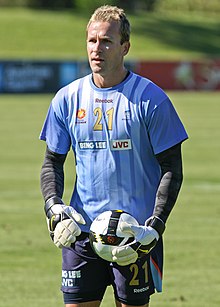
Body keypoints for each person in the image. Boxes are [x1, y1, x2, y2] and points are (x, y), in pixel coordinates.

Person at [40, 5, 188, 307]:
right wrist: (54, 207)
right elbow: (52, 161)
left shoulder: (151, 99)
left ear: (125, 47)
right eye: (92, 40)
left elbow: (172, 168)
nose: (97, 48)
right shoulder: (66, 99)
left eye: (106, 41)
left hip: (135, 235)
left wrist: (155, 226)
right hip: (81, 232)